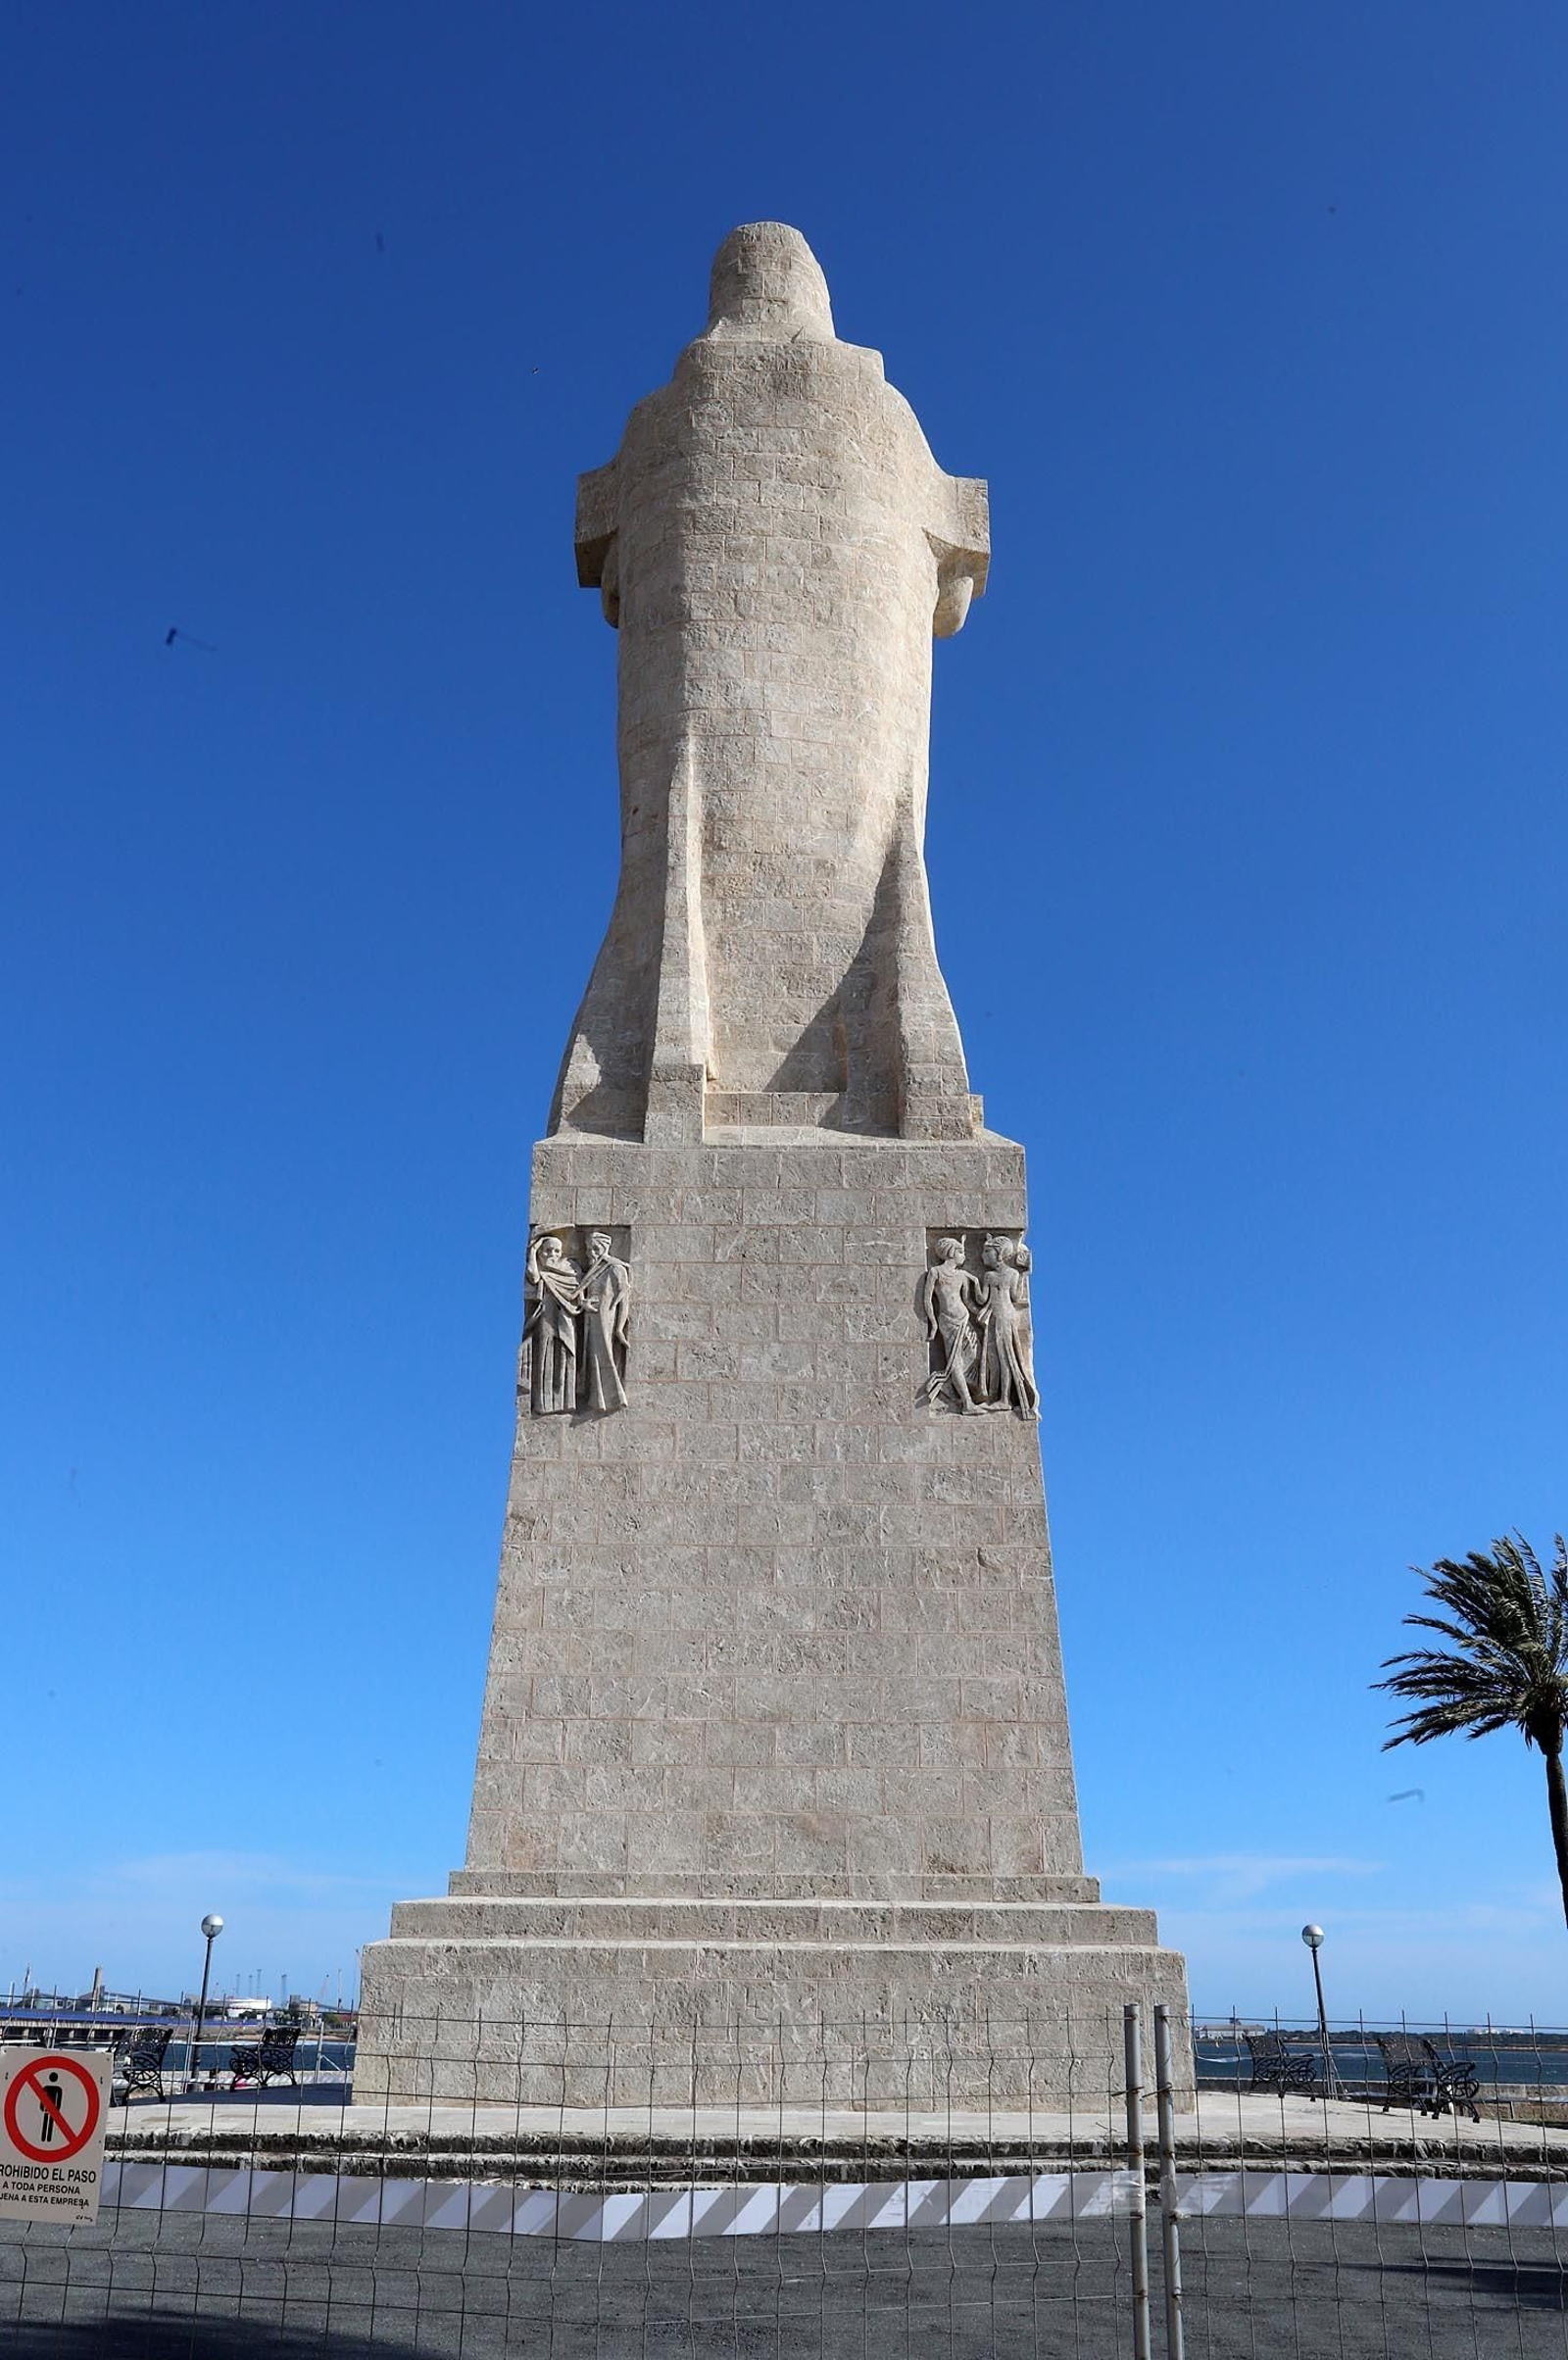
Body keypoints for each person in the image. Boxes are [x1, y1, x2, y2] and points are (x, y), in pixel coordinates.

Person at [973, 1235, 1039, 1418]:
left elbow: (982, 1299)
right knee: (996, 1359)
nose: (982, 1256)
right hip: (999, 1317)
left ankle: (1004, 1399)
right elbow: (1014, 1297)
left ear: (998, 1253)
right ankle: (996, 1396)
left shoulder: (996, 1275)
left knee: (1005, 1358)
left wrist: (973, 1282)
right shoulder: (1005, 1274)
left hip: (1003, 1318)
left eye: (987, 1252)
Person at [919, 1237, 982, 1413]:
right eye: (961, 1251)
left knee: (975, 1355)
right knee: (954, 1362)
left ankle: (975, 1392)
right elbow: (927, 1300)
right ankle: (967, 1403)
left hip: (964, 1319)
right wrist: (933, 1324)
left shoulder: (961, 1275)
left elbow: (968, 1301)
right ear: (950, 1252)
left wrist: (985, 1314)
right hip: (947, 1322)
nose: (964, 1256)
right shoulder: (935, 1272)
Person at [523, 1234, 583, 1413]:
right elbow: (533, 1277)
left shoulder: (570, 1268)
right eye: (547, 1250)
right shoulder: (542, 1269)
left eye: (556, 1251)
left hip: (566, 1316)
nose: (552, 1254)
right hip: (546, 1316)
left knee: (566, 1354)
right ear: (541, 1253)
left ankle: (565, 1401)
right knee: (545, 1354)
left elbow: (578, 1291)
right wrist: (532, 1252)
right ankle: (544, 1402)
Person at [579, 1231, 631, 1412]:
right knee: (592, 1355)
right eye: (588, 1249)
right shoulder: (592, 1270)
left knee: (604, 1354)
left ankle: (613, 1396)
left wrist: (619, 1328)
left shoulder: (615, 1268)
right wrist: (583, 1303)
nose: (590, 1254)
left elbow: (624, 1300)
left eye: (595, 1249)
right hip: (590, 1316)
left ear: (604, 1248)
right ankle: (596, 1397)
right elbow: (580, 1293)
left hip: (605, 1316)